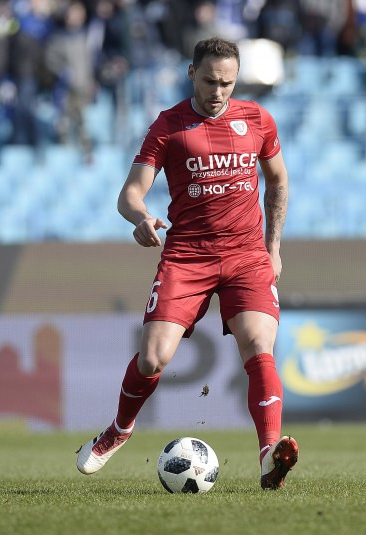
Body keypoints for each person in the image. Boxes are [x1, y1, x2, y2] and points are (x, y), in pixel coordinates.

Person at [76, 37, 298, 490]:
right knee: (153, 358)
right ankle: (119, 429)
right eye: (211, 81)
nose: (219, 91)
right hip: (188, 256)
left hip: (246, 255)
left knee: (259, 345)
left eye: (227, 83)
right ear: (192, 73)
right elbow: (130, 193)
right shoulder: (169, 126)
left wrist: (273, 247)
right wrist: (140, 218)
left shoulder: (257, 119)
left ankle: (268, 454)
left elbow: (277, 182)